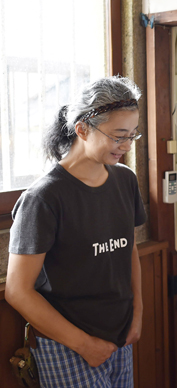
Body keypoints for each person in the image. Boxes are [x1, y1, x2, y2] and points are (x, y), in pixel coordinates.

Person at [5, 76, 147, 388]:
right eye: (118, 136)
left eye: (132, 136)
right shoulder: (44, 198)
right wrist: (85, 345)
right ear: (82, 129)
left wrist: (137, 316)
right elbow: (17, 290)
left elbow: (129, 250)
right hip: (66, 345)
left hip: (120, 337)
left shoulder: (125, 181)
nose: (125, 146)